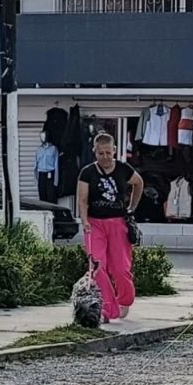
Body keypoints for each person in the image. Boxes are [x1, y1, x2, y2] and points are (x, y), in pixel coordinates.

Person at [77, 133, 144, 322]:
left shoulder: (123, 169)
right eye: (101, 153)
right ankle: (106, 308)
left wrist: (132, 207)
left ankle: (124, 301)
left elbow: (138, 183)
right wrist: (85, 220)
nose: (105, 157)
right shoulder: (87, 172)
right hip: (95, 223)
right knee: (97, 266)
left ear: (114, 150)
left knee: (121, 268)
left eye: (108, 153)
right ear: (95, 152)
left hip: (117, 223)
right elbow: (82, 199)